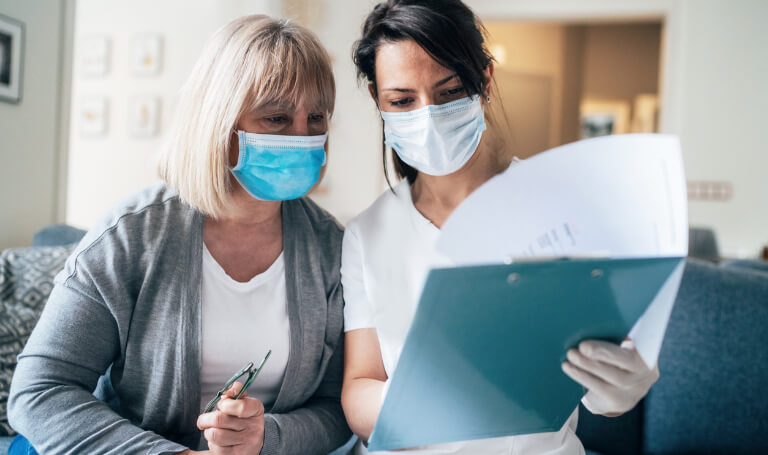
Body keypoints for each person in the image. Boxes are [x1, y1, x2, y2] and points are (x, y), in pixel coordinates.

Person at [8, 15, 350, 455]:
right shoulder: (131, 236)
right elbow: (40, 391)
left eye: (316, 117)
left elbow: (337, 407)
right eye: (277, 118)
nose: (303, 136)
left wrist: (266, 437)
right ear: (220, 121)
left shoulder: (331, 248)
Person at [340, 1, 660, 453]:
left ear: (485, 81)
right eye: (402, 101)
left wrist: (617, 388)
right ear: (378, 101)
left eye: (450, 91)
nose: (428, 116)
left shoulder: (563, 208)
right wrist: (427, 397)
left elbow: (602, 383)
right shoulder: (367, 233)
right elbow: (360, 388)